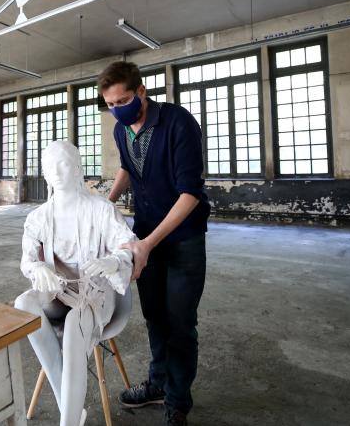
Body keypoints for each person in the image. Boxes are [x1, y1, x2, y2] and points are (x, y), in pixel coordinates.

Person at [98, 61, 210, 426]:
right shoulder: (121, 131)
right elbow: (129, 168)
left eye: (124, 100)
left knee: (179, 322)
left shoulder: (178, 123)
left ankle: (178, 401)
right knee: (154, 318)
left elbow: (190, 192)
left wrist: (148, 243)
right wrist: (106, 202)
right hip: (144, 236)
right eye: (111, 104)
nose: (118, 108)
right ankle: (158, 383)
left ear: (141, 92)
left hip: (182, 239)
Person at [14, 140, 135, 426]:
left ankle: (68, 421)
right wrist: (38, 268)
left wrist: (113, 261)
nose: (57, 171)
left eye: (64, 163)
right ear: (44, 174)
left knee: (74, 324)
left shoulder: (100, 209)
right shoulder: (38, 217)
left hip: (96, 293)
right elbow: (26, 260)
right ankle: (69, 408)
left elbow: (128, 245)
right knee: (23, 304)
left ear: (78, 167)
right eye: (50, 166)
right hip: (58, 293)